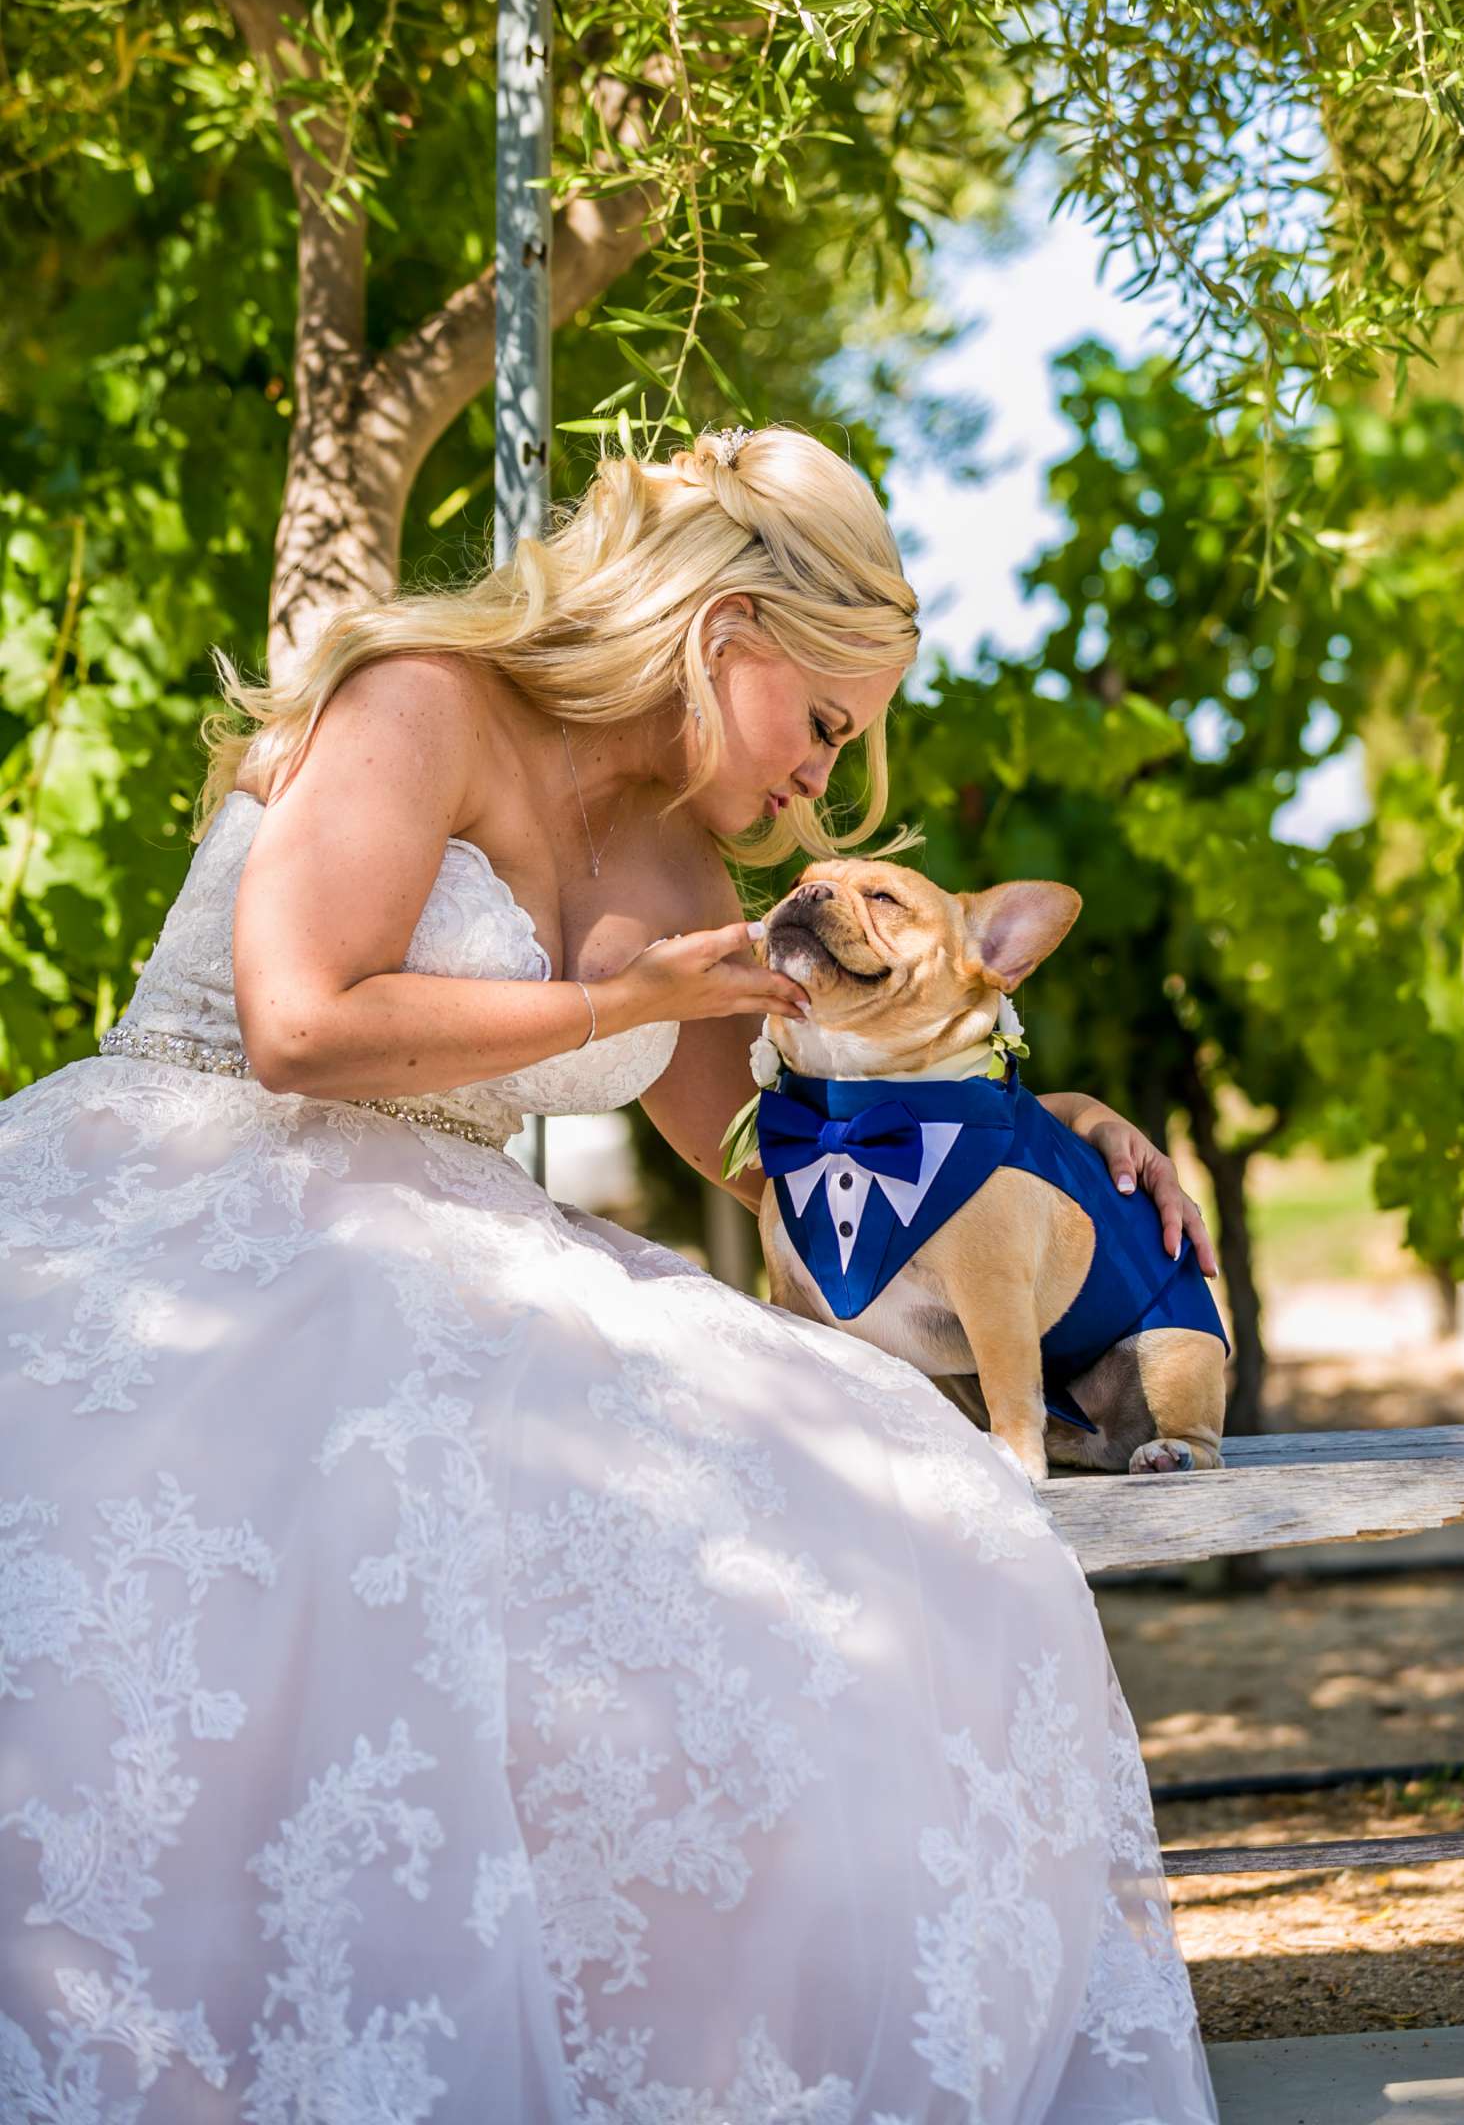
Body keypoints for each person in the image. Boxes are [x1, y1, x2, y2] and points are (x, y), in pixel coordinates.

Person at [0, 424, 1221, 2124]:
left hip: (447, 1261)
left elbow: (796, 1171)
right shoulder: (425, 695)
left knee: (905, 1540)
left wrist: (1038, 1126)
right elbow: (296, 1025)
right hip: (191, 1207)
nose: (819, 785)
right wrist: (639, 1001)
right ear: (729, 634)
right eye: (824, 726)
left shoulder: (688, 875)